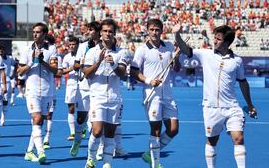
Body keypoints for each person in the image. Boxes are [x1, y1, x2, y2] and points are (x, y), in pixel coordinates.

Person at [174, 24, 257, 168]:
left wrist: (250, 104)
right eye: (214, 37)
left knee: (238, 138)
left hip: (232, 107)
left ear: (226, 42)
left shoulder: (237, 61)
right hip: (211, 108)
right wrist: (177, 35)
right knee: (212, 141)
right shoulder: (205, 53)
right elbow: (185, 50)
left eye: (218, 39)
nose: (214, 41)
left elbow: (243, 82)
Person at [130, 19, 181, 168]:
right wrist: (149, 81)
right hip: (152, 94)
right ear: (147, 30)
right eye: (151, 29)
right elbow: (133, 71)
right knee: (156, 129)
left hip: (168, 93)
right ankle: (155, 163)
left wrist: (176, 60)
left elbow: (176, 68)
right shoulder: (142, 50)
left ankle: (149, 154)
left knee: (173, 129)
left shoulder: (169, 46)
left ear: (161, 31)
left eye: (157, 29)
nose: (154, 32)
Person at [82, 19, 128, 168]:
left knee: (110, 134)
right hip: (97, 97)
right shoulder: (92, 52)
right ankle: (91, 159)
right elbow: (86, 74)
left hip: (115, 98)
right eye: (105, 31)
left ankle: (107, 164)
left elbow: (124, 75)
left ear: (114, 34)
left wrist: (113, 64)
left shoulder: (122, 52)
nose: (108, 34)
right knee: (96, 131)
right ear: (100, 33)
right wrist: (99, 62)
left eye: (111, 31)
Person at [17, 22, 58, 164]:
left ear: (44, 34)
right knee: (37, 118)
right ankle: (41, 151)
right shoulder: (27, 49)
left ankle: (29, 151)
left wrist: (42, 62)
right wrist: (33, 62)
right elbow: (20, 71)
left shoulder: (51, 49)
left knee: (39, 122)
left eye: (38, 32)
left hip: (47, 91)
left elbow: (55, 70)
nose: (35, 34)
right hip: (32, 90)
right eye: (33, 32)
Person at [69, 21, 101, 155]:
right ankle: (77, 141)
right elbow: (75, 65)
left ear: (98, 31)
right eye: (88, 29)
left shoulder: (103, 46)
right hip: (84, 86)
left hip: (98, 87)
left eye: (91, 30)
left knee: (98, 121)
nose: (89, 32)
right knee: (81, 118)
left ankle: (98, 150)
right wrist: (82, 64)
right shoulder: (82, 46)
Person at [43, 34, 63, 149]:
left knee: (49, 115)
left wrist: (48, 66)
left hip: (50, 90)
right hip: (36, 91)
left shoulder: (55, 56)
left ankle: (47, 139)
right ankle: (37, 140)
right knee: (38, 117)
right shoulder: (33, 52)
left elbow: (59, 73)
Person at [61, 36, 80, 140]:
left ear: (77, 45)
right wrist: (73, 67)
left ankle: (83, 127)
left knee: (85, 108)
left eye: (73, 44)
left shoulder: (82, 55)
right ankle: (72, 133)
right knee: (71, 108)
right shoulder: (67, 57)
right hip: (71, 83)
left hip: (83, 83)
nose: (71, 46)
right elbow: (63, 71)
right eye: (70, 44)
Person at [0, 44, 16, 126]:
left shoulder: (9, 58)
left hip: (7, 82)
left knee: (5, 101)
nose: (0, 53)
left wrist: (14, 74)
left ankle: (3, 118)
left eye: (1, 52)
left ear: (4, 51)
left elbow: (16, 64)